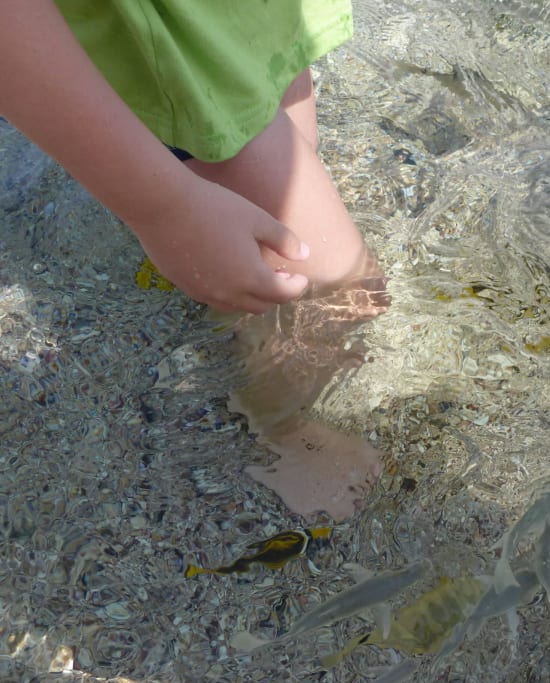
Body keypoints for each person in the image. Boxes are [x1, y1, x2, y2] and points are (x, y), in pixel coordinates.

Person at [0, 0, 387, 518]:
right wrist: (165, 208)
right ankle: (286, 434)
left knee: (306, 238)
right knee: (336, 288)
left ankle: (242, 307)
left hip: (232, 26)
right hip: (175, 47)